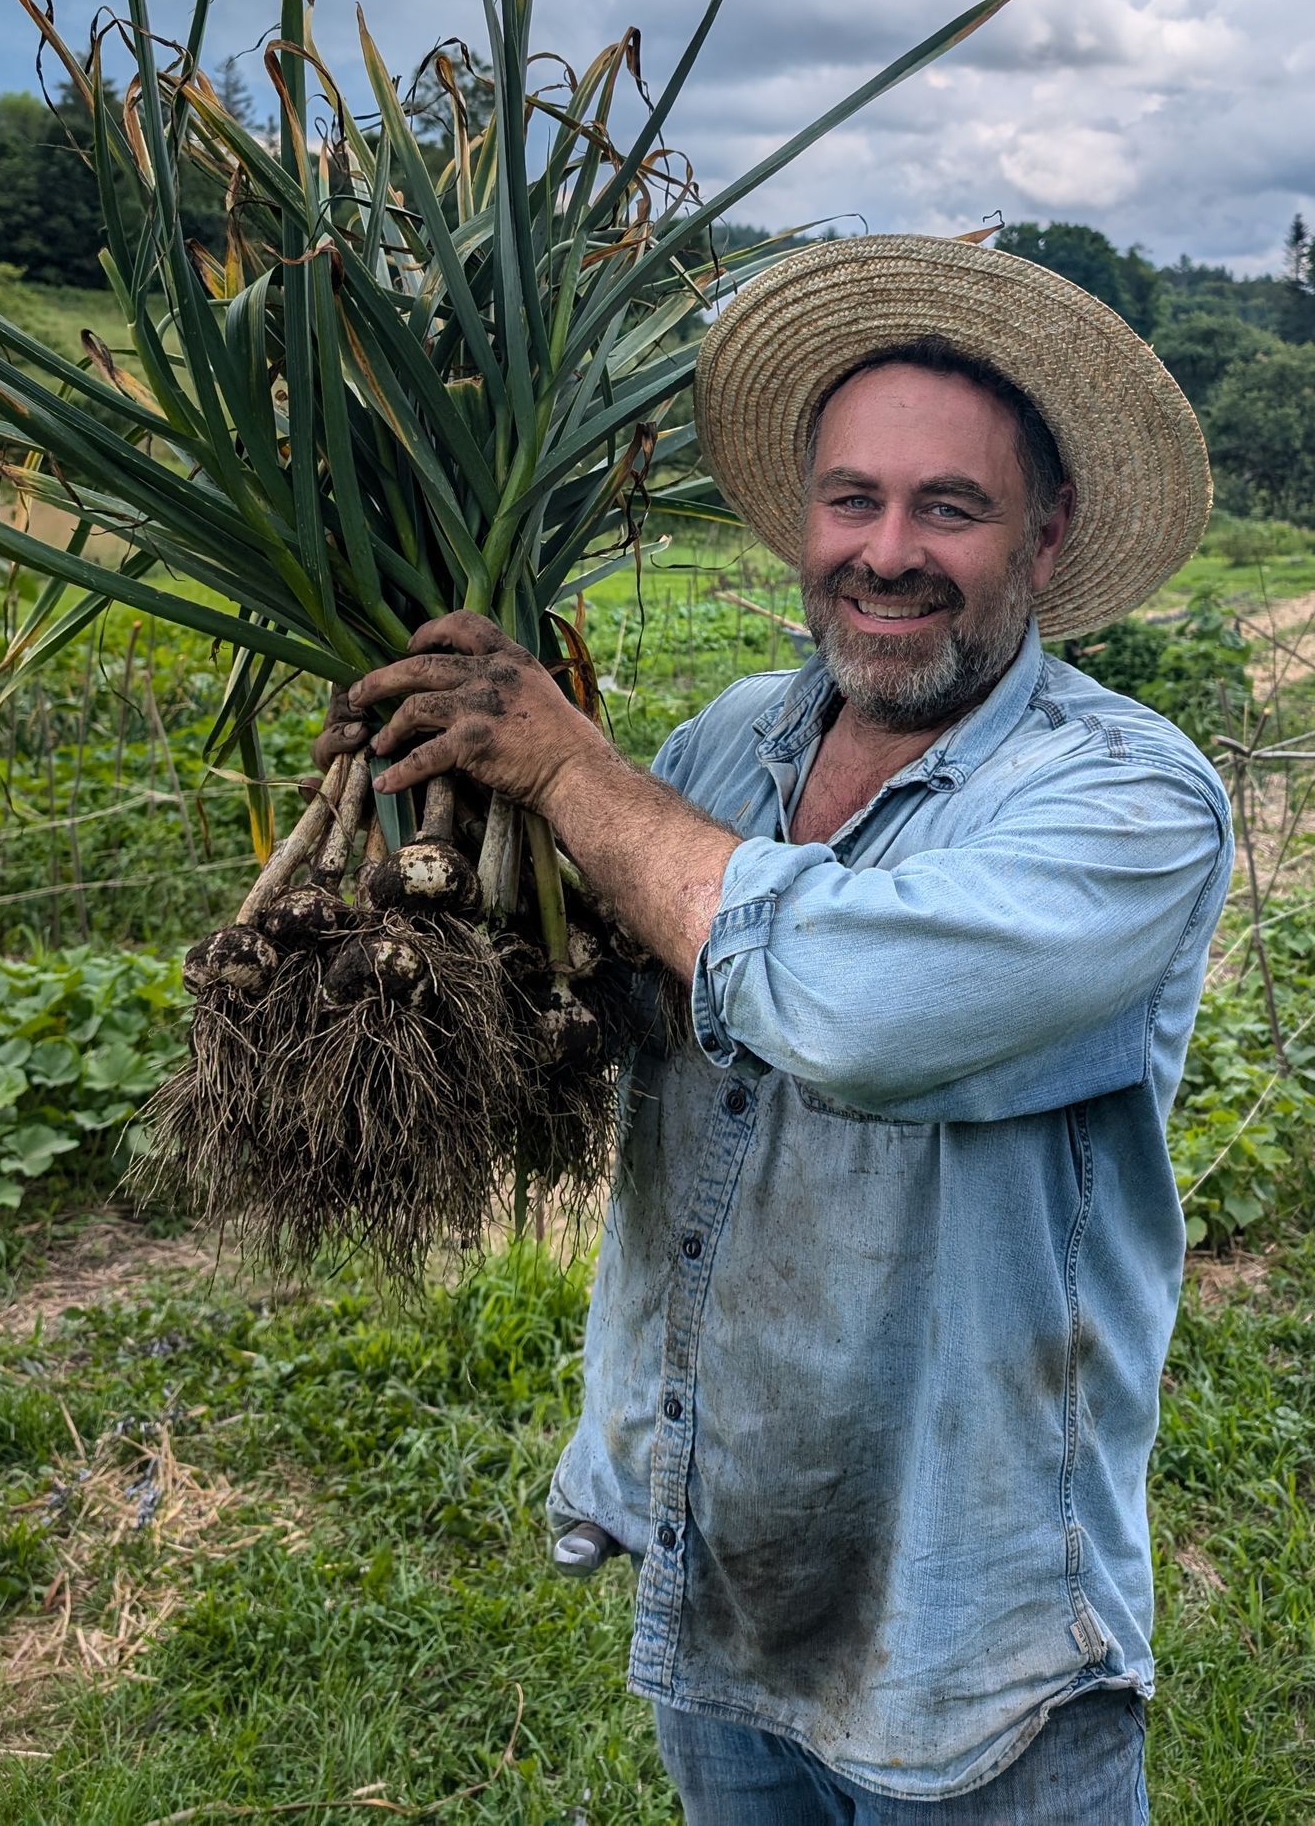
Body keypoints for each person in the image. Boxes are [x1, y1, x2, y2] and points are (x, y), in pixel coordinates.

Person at [324, 233, 1232, 1824]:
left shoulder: (1131, 801)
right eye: (853, 500)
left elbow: (850, 1004)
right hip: (726, 1564)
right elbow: (649, 985)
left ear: (1047, 532)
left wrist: (567, 767)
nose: (889, 551)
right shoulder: (733, 739)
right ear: (802, 519)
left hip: (980, 1624)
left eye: (950, 505)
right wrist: (423, 908)